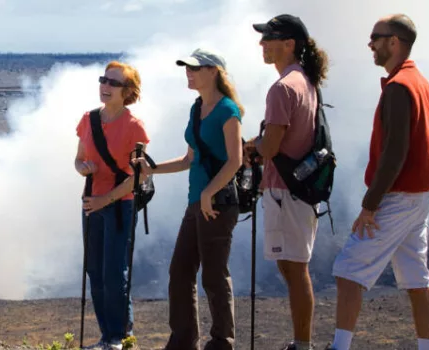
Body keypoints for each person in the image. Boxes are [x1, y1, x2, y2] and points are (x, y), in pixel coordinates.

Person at [326, 14, 429, 350]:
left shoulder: (399, 88)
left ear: (394, 42)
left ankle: (339, 347)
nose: (370, 44)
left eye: (375, 37)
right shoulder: (421, 83)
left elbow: (395, 153)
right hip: (419, 196)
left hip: (399, 196)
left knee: (348, 270)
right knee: (416, 278)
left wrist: (369, 205)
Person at [135, 48, 244, 350]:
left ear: (213, 72)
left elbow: (234, 161)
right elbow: (189, 159)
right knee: (180, 272)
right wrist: (152, 169)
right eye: (187, 67)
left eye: (195, 68)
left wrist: (209, 193)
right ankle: (183, 340)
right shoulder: (197, 109)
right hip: (197, 202)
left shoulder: (227, 111)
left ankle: (222, 342)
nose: (189, 72)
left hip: (218, 203)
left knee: (213, 274)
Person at [248, 14, 329, 350]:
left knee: (294, 270)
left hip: (286, 190)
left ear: (289, 44)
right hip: (300, 189)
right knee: (295, 267)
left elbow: (271, 146)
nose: (262, 44)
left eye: (269, 37)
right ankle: (301, 342)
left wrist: (248, 147)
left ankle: (303, 344)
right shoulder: (306, 82)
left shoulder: (282, 88)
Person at [75, 61, 149, 350]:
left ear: (127, 91)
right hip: (92, 202)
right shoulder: (88, 119)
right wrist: (83, 169)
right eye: (103, 80)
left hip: (120, 205)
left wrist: (105, 199)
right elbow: (78, 158)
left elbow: (137, 176)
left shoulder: (135, 127)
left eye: (113, 83)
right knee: (95, 269)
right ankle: (108, 336)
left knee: (114, 272)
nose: (105, 87)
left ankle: (118, 337)